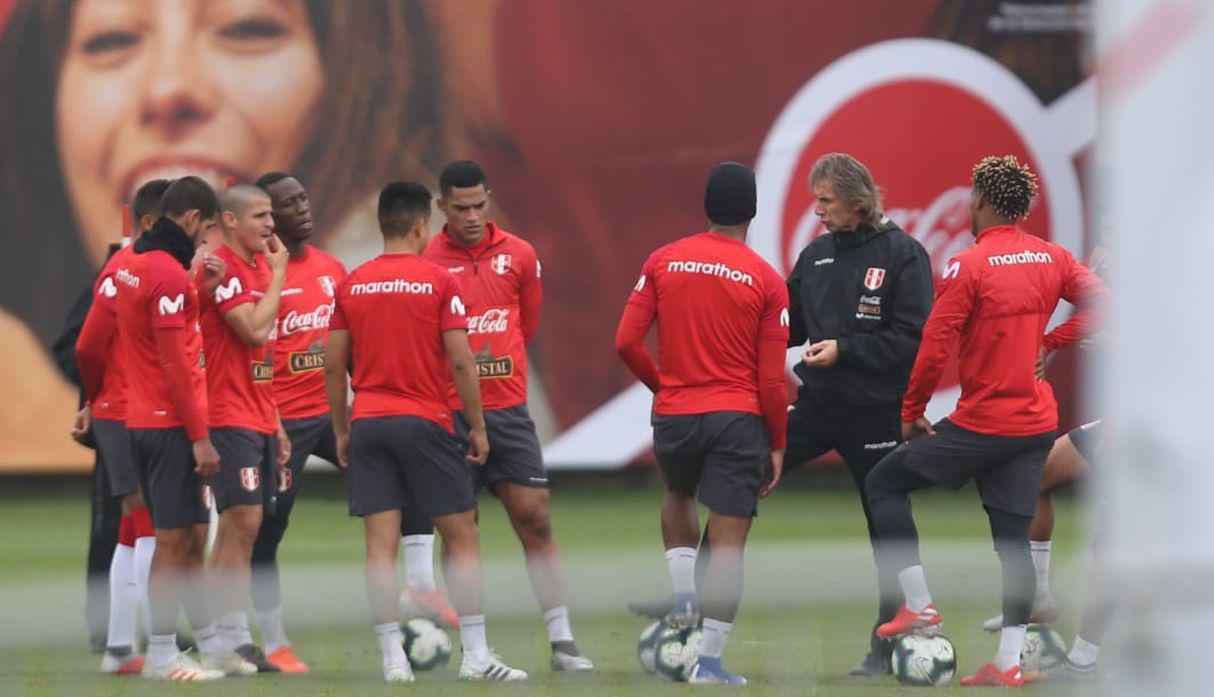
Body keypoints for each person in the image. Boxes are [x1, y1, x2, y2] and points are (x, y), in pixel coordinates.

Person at [0, 0, 452, 470]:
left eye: (246, 28)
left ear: (361, 69)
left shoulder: (360, 271)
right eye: (112, 41)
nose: (169, 89)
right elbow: (90, 346)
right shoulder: (120, 281)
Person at [864, 155, 1108, 687]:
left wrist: (912, 412)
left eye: (971, 199)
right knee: (1012, 541)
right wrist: (1052, 340)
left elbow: (934, 344)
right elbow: (1105, 304)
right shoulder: (1054, 257)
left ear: (980, 202)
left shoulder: (968, 264)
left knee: (884, 482)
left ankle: (921, 606)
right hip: (1035, 422)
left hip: (984, 423)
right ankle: (1006, 664)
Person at [326, 181, 527, 683]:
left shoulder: (352, 283)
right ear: (421, 225)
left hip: (369, 419)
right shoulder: (439, 282)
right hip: (428, 420)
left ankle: (393, 661)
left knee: (378, 546)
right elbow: (461, 361)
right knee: (462, 535)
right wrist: (478, 426)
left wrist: (341, 428)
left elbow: (332, 366)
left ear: (382, 224)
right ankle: (477, 656)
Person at [408, 159, 593, 671]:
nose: (471, 216)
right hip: (447, 415)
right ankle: (476, 649)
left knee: (535, 517)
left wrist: (492, 375)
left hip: (508, 409)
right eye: (460, 208)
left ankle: (563, 640)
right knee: (460, 529)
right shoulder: (425, 259)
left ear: (489, 200)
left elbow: (526, 326)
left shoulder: (520, 255)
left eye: (479, 206)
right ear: (441, 207)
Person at [615, 162, 790, 684]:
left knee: (678, 493)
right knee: (731, 543)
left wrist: (662, 385)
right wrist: (777, 442)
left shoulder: (664, 260)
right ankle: (709, 663)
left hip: (676, 412)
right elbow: (772, 382)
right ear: (752, 211)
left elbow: (625, 341)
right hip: (737, 419)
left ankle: (685, 592)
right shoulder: (767, 280)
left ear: (707, 206)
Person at [782, 153, 934, 675]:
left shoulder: (904, 254)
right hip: (816, 406)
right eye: (815, 200)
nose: (817, 210)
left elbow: (911, 340)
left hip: (875, 413)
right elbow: (787, 326)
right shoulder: (816, 255)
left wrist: (845, 349)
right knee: (742, 471)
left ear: (856, 200)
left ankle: (888, 646)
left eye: (825, 200)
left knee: (885, 525)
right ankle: (697, 618)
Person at [114, 175, 225, 681]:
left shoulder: (135, 264)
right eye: (205, 232)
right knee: (175, 541)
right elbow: (176, 363)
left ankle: (164, 650)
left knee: (171, 538)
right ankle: (161, 655)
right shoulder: (166, 273)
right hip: (170, 424)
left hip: (139, 419)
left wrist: (198, 291)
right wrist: (199, 436)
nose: (205, 243)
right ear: (190, 219)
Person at [248, 171, 347, 673]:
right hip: (281, 421)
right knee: (267, 529)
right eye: (288, 204)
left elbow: (351, 345)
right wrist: (268, 418)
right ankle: (272, 640)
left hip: (331, 416)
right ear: (268, 219)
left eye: (303, 197)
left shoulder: (333, 268)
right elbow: (254, 354)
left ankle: (420, 594)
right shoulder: (261, 276)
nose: (302, 208)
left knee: (402, 485)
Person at [73, 178, 172, 675]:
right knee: (154, 528)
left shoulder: (117, 270)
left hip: (118, 410)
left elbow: (91, 346)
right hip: (143, 414)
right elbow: (86, 345)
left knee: (134, 530)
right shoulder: (141, 269)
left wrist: (93, 399)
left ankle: (119, 648)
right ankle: (158, 649)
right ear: (154, 223)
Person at [196, 184, 290, 675]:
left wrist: (275, 421)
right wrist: (279, 278)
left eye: (271, 214)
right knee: (242, 524)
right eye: (259, 214)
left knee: (243, 529)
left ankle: (222, 637)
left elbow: (262, 355)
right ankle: (228, 640)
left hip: (256, 416)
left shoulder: (255, 267)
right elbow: (252, 331)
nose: (270, 223)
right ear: (230, 221)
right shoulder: (223, 268)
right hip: (226, 415)